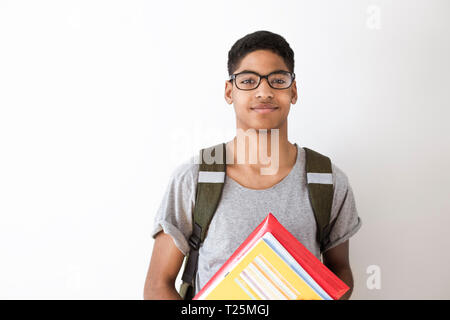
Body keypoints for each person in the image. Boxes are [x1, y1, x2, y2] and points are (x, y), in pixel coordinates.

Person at [143, 30, 362, 300]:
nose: (264, 91)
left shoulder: (327, 180)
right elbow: (157, 285)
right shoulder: (195, 179)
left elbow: (340, 271)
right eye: (248, 81)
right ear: (229, 91)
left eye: (277, 80)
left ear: (293, 91)